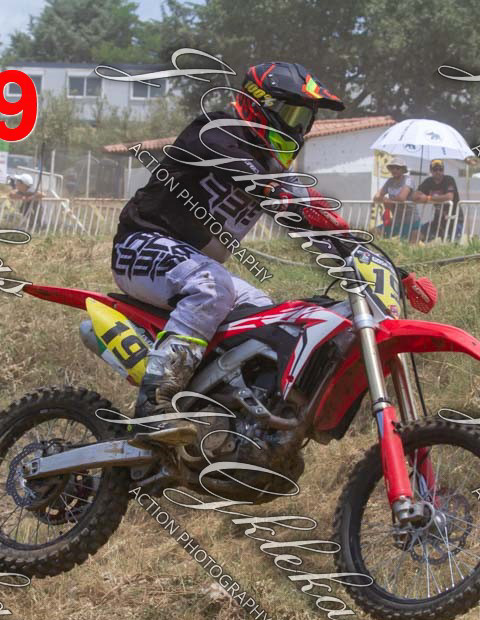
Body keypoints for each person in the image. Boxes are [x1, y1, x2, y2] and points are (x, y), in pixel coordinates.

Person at [112, 61, 346, 444]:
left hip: (188, 265)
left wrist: (385, 266)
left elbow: (319, 218)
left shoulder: (273, 170)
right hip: (140, 246)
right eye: (290, 114)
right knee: (213, 286)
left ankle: (229, 418)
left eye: (305, 119)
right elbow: (251, 177)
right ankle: (154, 405)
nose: (296, 128)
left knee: (264, 313)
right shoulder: (214, 131)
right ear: (258, 102)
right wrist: (293, 201)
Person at [414, 159, 463, 241]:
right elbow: (415, 197)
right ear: (431, 171)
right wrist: (421, 197)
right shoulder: (428, 181)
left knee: (452, 243)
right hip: (438, 219)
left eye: (440, 169)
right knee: (417, 234)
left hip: (454, 218)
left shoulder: (449, 179)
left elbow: (449, 197)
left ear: (443, 170)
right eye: (435, 169)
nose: (438, 172)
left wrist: (428, 198)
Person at [373, 158, 414, 238]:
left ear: (403, 170)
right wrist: (384, 199)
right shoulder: (390, 181)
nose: (394, 170)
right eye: (392, 168)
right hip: (396, 220)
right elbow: (376, 197)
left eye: (397, 168)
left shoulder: (408, 179)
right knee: (374, 231)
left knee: (405, 242)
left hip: (410, 220)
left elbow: (402, 198)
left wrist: (387, 200)